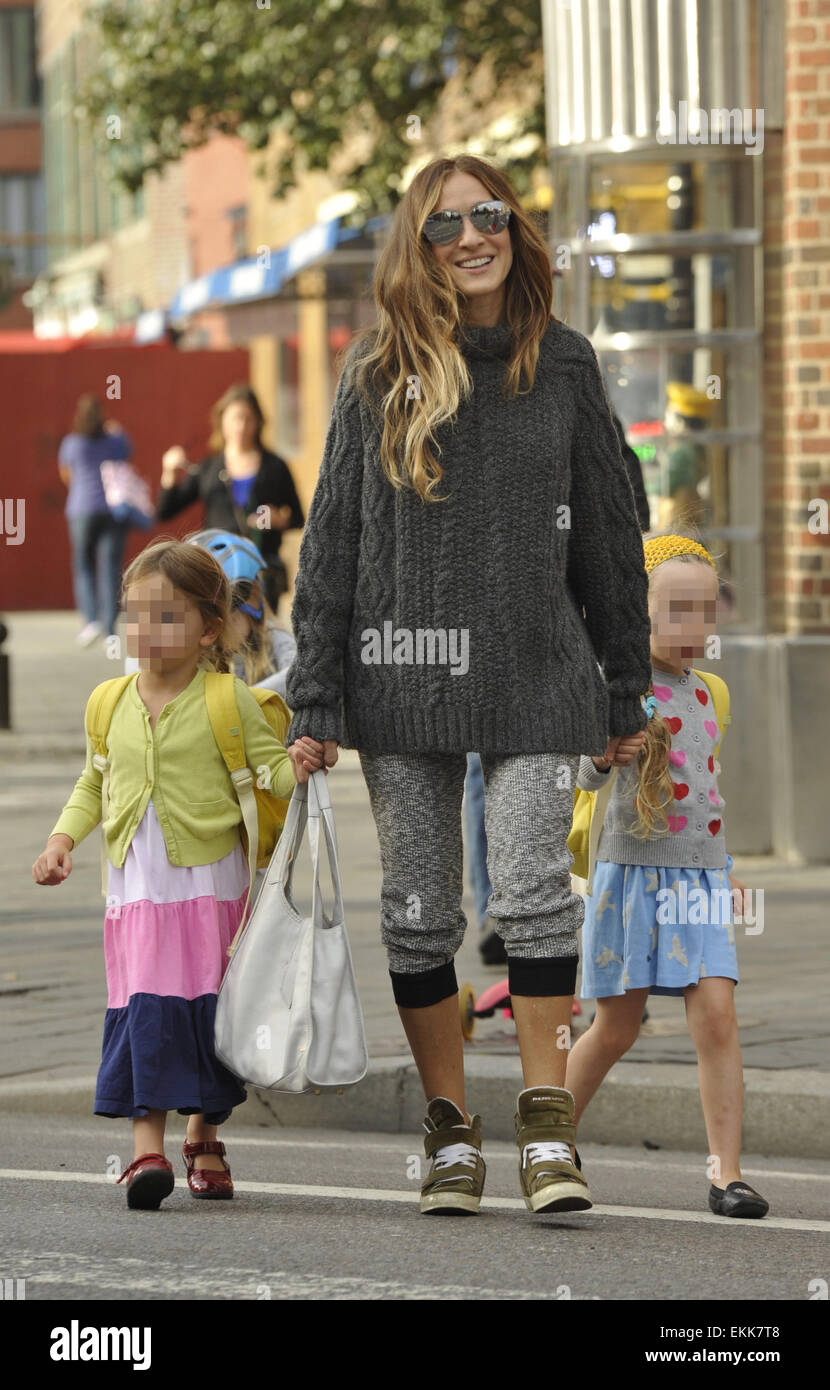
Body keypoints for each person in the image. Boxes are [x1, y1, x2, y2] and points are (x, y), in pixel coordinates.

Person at [283, 154, 653, 1217]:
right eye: (444, 225)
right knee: (416, 910)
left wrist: (622, 688)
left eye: (486, 214)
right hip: (400, 683)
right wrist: (314, 701)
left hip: (539, 675)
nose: (470, 236)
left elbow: (611, 542)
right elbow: (335, 545)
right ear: (420, 246)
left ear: (512, 228)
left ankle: (545, 1127)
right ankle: (449, 1129)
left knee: (533, 887)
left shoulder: (565, 366)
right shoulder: (373, 371)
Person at [32, 538, 324, 1211]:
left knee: (210, 1016)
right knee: (145, 1011)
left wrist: (301, 761)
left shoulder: (229, 700)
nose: (144, 631)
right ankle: (144, 1154)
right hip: (136, 894)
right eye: (133, 615)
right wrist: (60, 841)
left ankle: (204, 1136)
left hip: (211, 892)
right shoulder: (107, 702)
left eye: (165, 617)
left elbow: (271, 774)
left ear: (208, 629)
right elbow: (92, 785)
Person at [566, 531, 768, 1219]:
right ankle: (551, 1140)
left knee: (717, 1018)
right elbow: (583, 778)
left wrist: (728, 868)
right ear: (636, 608)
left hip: (700, 883)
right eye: (677, 609)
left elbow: (706, 796)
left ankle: (727, 1173)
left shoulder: (710, 693)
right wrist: (602, 754)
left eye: (706, 611)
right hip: (630, 877)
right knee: (616, 1029)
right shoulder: (616, 686)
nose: (694, 627)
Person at [156, 384, 304, 612]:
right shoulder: (209, 467)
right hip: (218, 570)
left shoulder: (275, 467)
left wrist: (278, 520)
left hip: (261, 571)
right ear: (222, 421)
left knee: (259, 641)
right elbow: (165, 511)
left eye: (248, 419)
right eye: (235, 418)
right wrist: (169, 472)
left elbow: (298, 517)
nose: (241, 426)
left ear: (258, 422)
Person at [58, 394, 132, 645]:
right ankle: (110, 630)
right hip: (113, 510)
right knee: (110, 569)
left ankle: (91, 622)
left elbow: (66, 473)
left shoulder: (72, 443)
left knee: (84, 567)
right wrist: (119, 432)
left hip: (81, 509)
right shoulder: (114, 440)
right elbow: (126, 455)